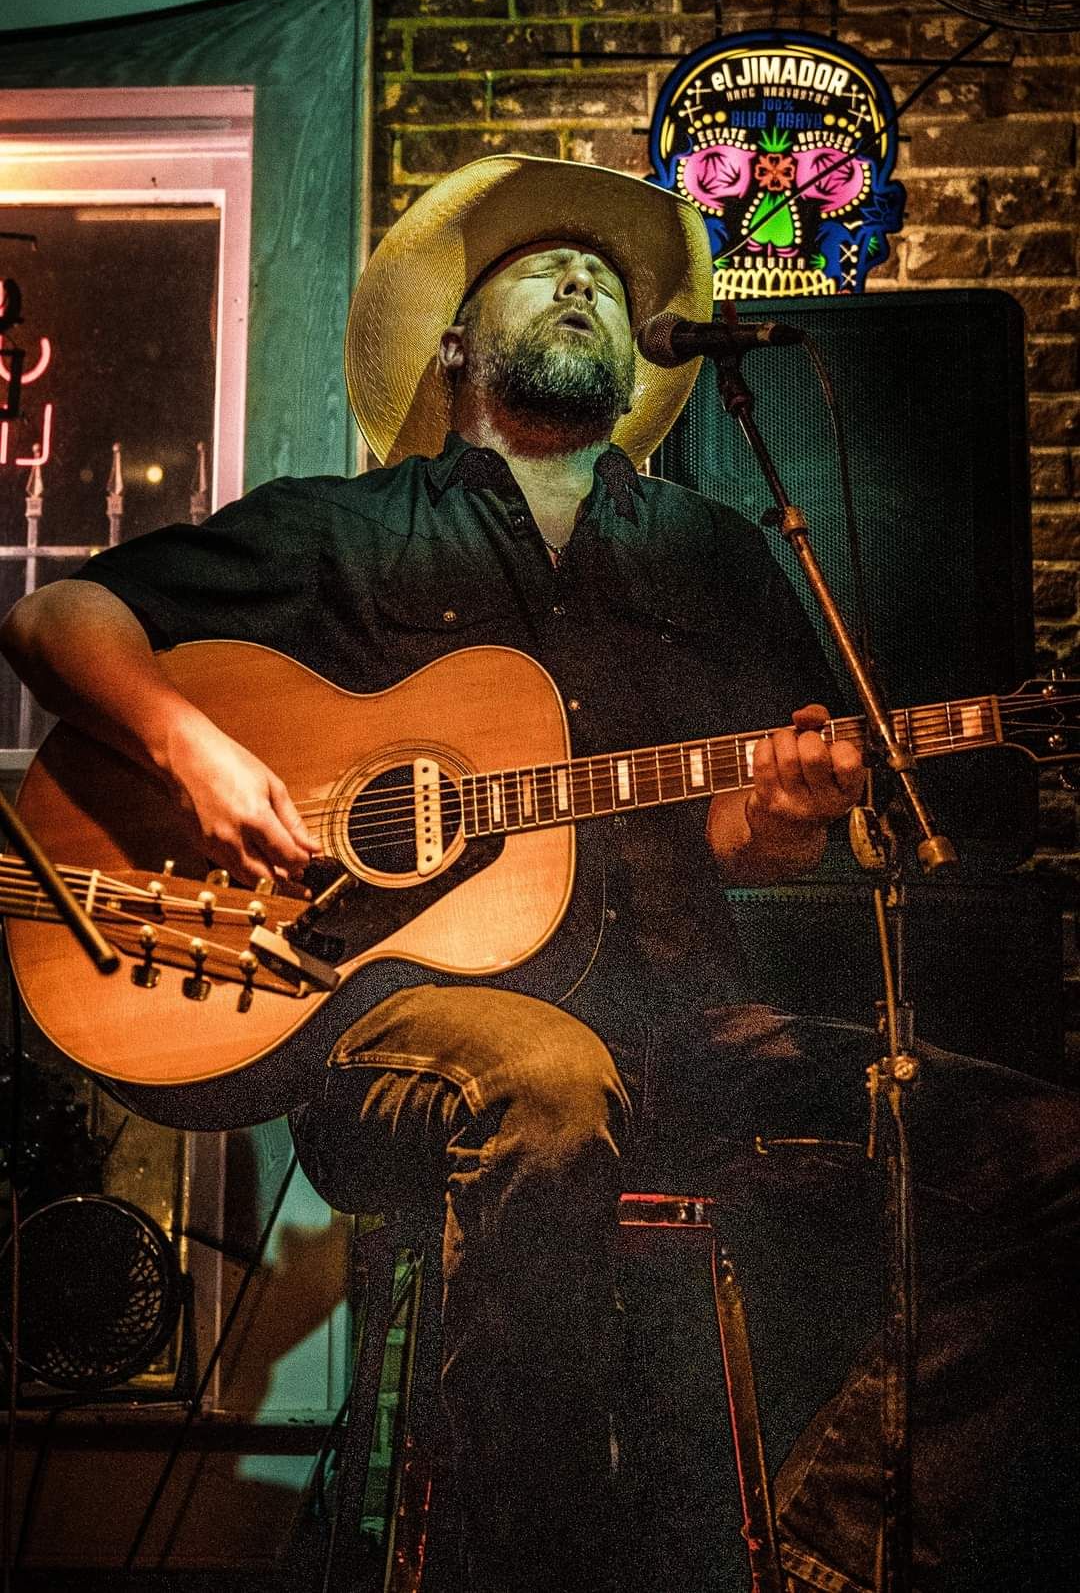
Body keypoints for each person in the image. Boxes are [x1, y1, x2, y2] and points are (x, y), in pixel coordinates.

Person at [1, 156, 1076, 1593]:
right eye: (539, 265)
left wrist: (788, 822)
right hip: (393, 1031)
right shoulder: (347, 530)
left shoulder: (716, 553)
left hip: (691, 1034)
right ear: (454, 342)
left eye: (607, 279)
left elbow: (745, 827)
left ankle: (836, 1549)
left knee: (1054, 1154)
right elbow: (56, 618)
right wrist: (193, 749)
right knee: (554, 1088)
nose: (584, 281)